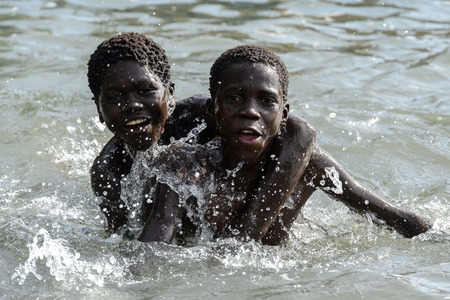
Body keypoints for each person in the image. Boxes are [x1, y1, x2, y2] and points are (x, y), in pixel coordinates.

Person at [138, 45, 432, 245]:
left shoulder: (311, 166)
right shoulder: (185, 167)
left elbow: (397, 218)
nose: (250, 111)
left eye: (266, 101)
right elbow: (154, 246)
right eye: (234, 99)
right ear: (212, 110)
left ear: (284, 115)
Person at [87, 32, 315, 235]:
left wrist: (248, 234)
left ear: (170, 94)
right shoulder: (108, 172)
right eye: (113, 98)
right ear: (99, 109)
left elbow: (300, 132)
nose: (132, 106)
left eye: (146, 90)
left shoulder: (200, 116)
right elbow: (126, 238)